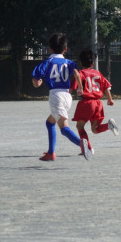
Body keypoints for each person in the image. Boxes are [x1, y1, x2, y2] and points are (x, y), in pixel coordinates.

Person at [31, 33, 84, 161]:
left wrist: (37, 83)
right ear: (65, 49)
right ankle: (51, 153)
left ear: (50, 48)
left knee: (64, 128)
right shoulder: (69, 62)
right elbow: (77, 73)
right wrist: (80, 88)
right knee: (50, 122)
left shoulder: (47, 62)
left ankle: (83, 144)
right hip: (67, 96)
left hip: (56, 96)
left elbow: (35, 79)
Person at [70, 50, 119, 160]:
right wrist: (110, 99)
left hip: (87, 102)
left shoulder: (81, 74)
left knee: (80, 126)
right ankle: (108, 125)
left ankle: (89, 149)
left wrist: (67, 94)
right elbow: (106, 86)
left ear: (81, 63)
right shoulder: (98, 73)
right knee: (95, 129)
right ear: (93, 63)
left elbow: (73, 88)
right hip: (98, 103)